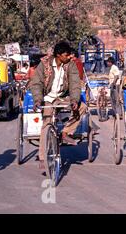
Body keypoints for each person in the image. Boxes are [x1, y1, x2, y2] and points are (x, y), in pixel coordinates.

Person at [30, 41, 87, 170]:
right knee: (47, 123)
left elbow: (74, 84)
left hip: (62, 97)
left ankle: (65, 132)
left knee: (82, 107)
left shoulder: (70, 65)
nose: (68, 57)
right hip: (47, 98)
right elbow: (37, 83)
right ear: (58, 55)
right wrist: (38, 100)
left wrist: (74, 100)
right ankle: (43, 158)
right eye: (66, 55)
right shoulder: (44, 64)